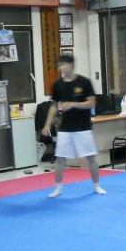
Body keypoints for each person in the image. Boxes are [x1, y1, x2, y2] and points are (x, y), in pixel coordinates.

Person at [42, 54, 106, 198]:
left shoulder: (84, 82)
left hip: (83, 126)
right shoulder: (58, 84)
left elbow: (91, 103)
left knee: (91, 158)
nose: (61, 68)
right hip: (65, 127)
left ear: (71, 65)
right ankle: (58, 187)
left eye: (63, 64)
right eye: (59, 65)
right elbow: (53, 106)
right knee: (60, 159)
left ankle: (96, 185)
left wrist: (73, 104)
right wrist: (47, 125)